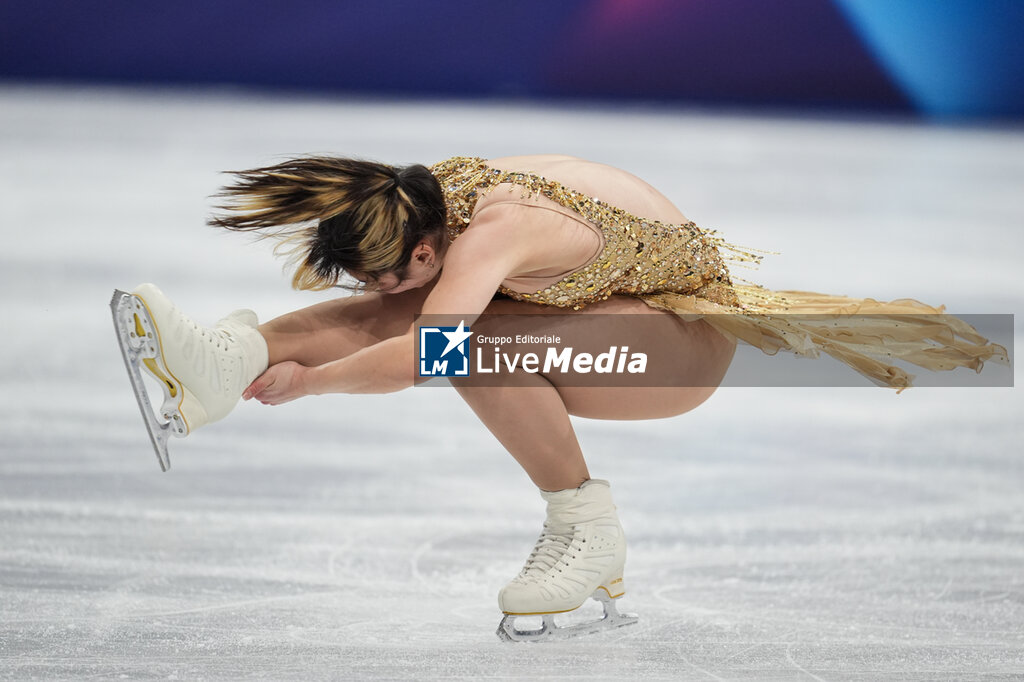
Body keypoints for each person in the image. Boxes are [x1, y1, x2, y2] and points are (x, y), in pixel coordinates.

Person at [113, 154, 1007, 641]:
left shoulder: (495, 231)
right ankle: (222, 361)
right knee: (418, 319)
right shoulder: (431, 203)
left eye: (395, 270)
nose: (388, 284)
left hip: (680, 354)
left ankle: (584, 527)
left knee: (467, 343)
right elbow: (390, 309)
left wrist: (315, 385)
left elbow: (431, 354)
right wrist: (298, 351)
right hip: (618, 318)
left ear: (425, 246)